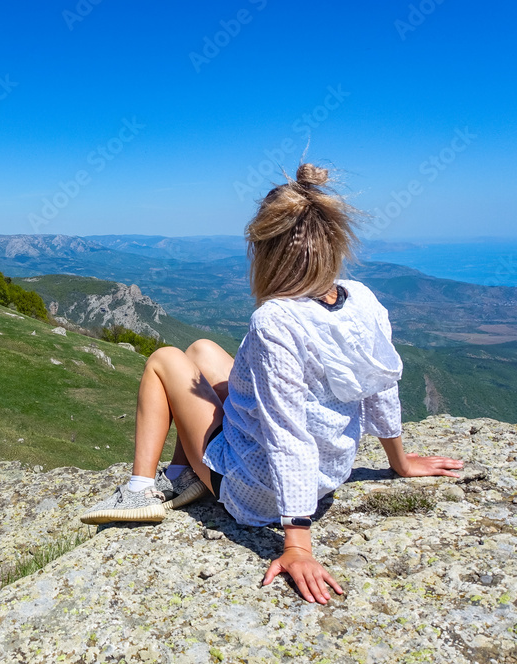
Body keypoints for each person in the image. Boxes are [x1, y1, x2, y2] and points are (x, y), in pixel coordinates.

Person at [80, 163, 464, 605]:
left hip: (254, 492)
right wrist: (399, 461)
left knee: (165, 360)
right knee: (203, 348)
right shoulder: (362, 299)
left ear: (266, 250)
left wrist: (296, 545)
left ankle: (141, 491)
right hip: (326, 478)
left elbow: (288, 435)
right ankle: (184, 473)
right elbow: (379, 384)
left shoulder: (275, 320)